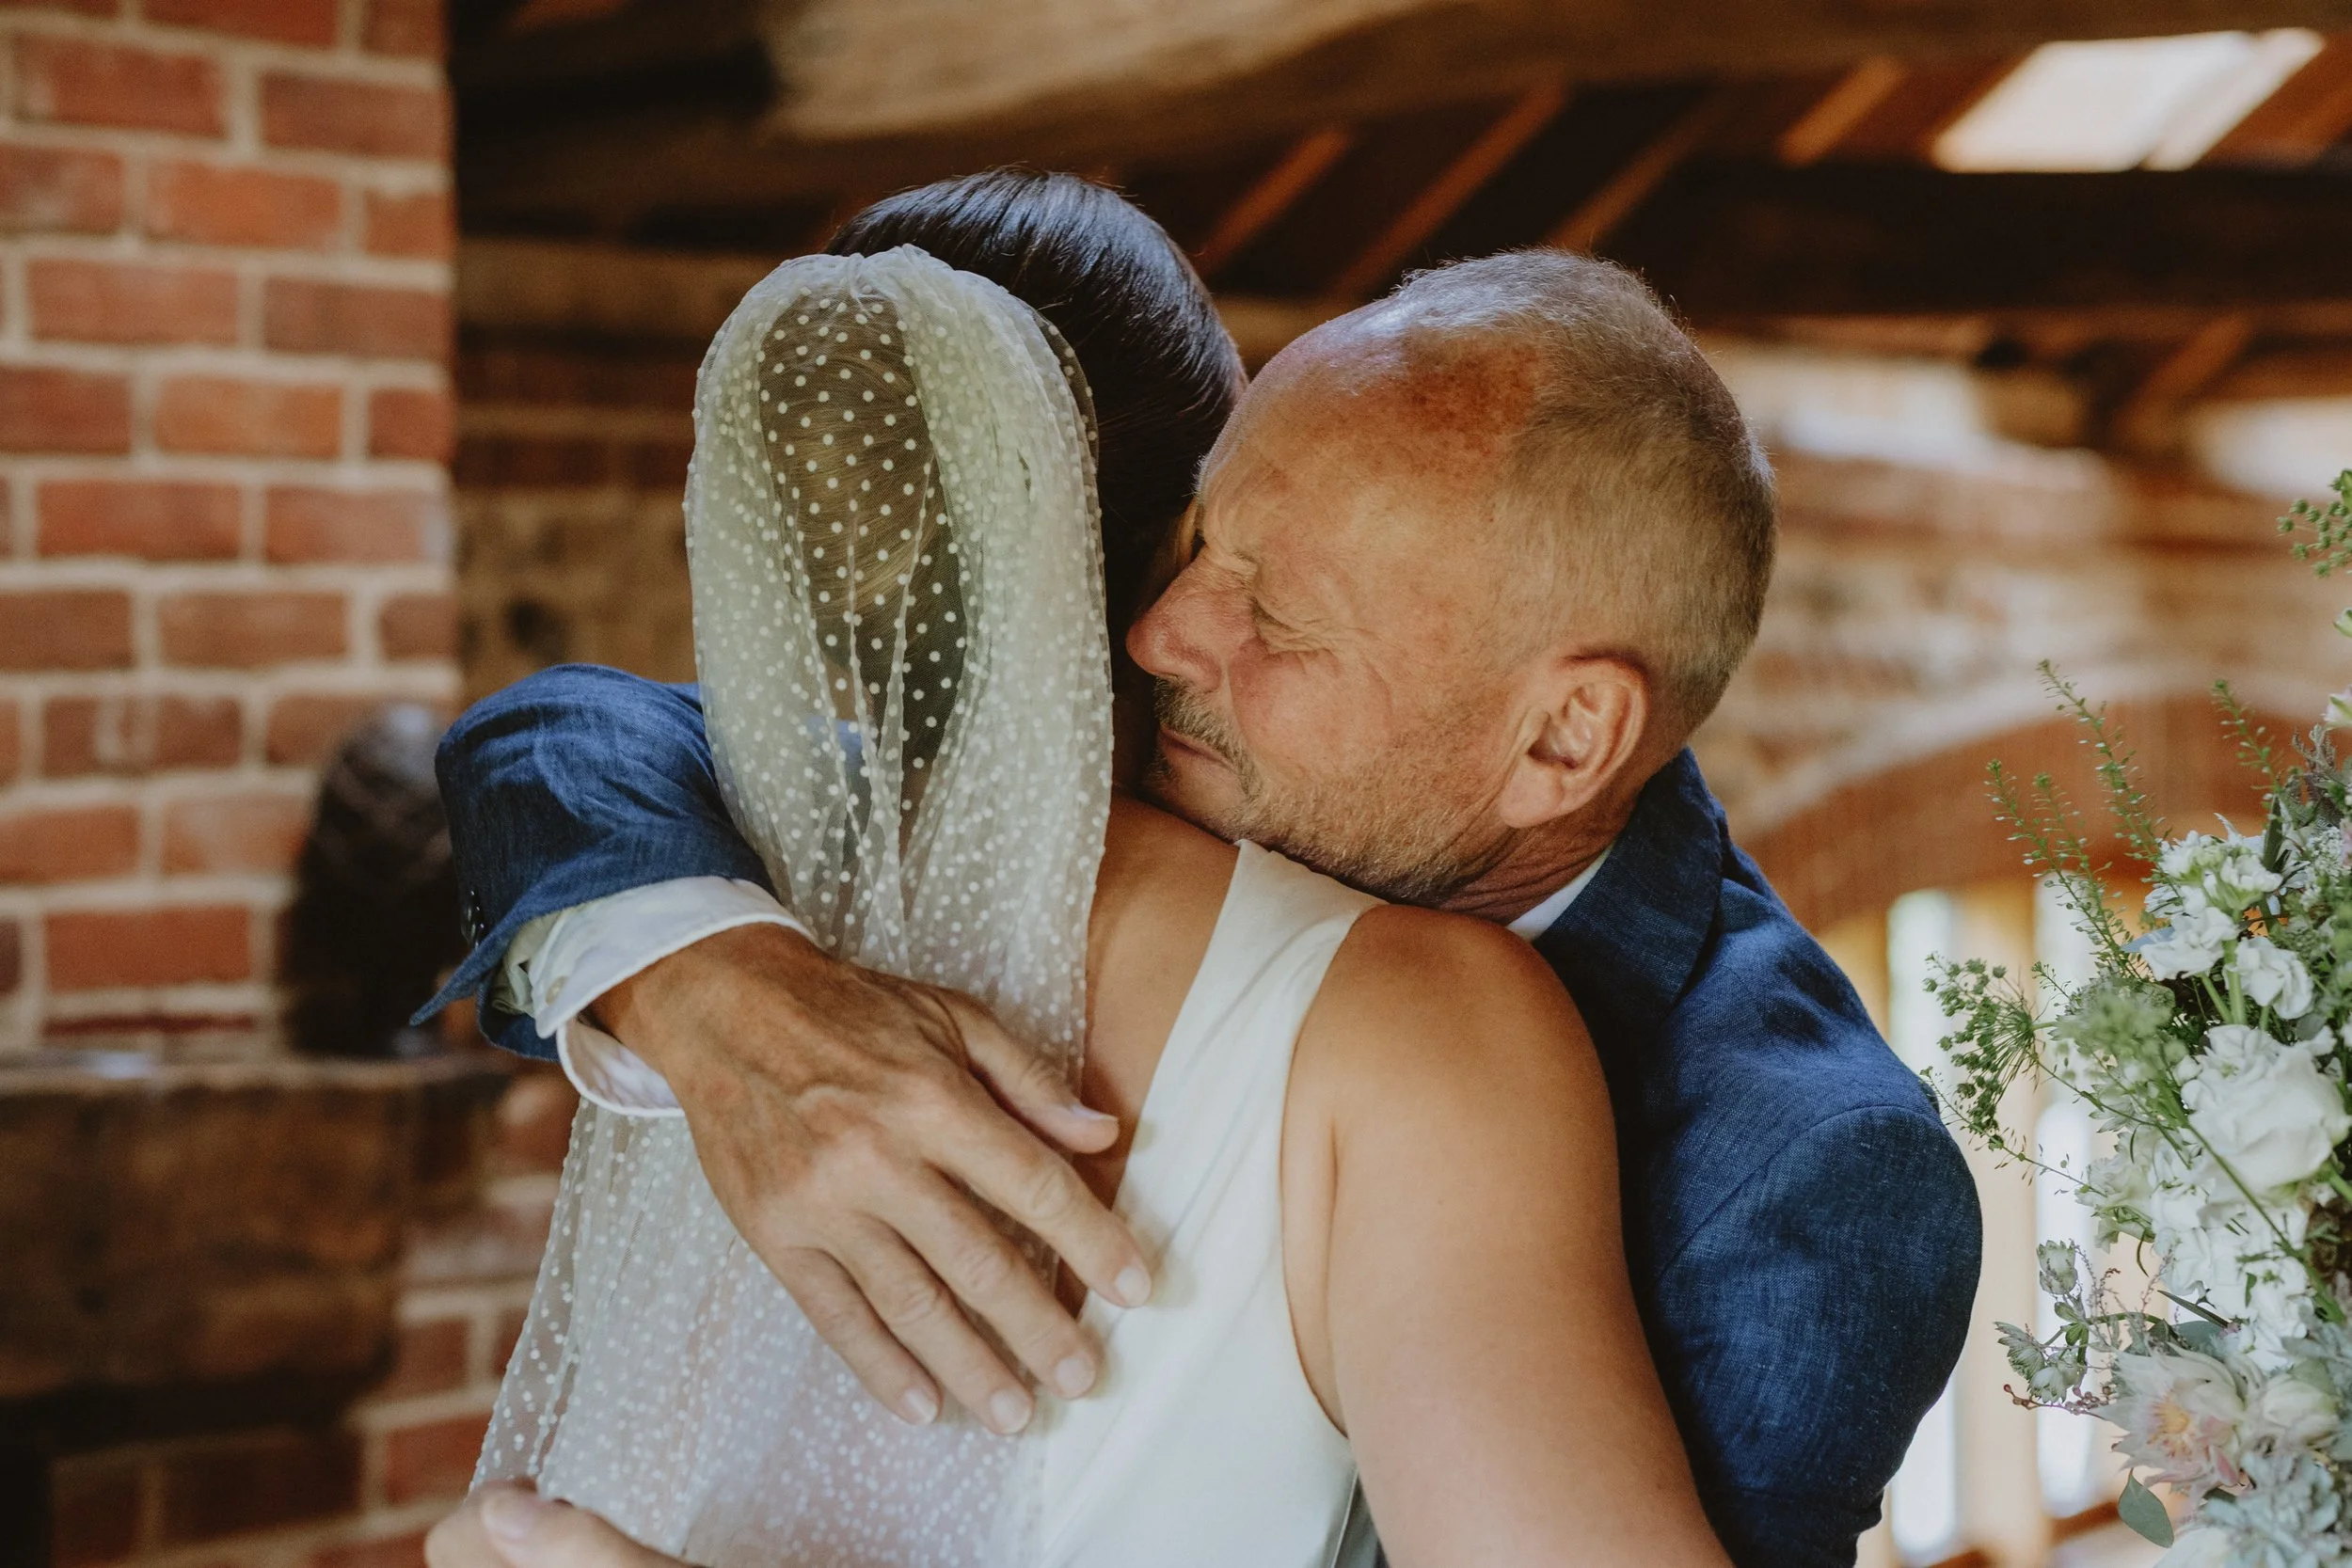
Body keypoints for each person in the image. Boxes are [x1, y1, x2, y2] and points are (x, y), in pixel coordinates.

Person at [423, 172, 1981, 1566]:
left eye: (1281, 617)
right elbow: (565, 731)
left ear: (1565, 739)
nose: (1162, 637)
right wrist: (703, 980)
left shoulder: (1813, 1175)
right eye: (1197, 546)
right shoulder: (803, 874)